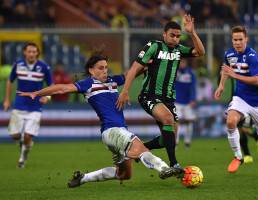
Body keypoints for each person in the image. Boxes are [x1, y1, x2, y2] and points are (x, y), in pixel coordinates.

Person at [18, 50, 179, 188]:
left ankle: (83, 178)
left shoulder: (113, 81)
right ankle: (165, 169)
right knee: (140, 149)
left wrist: (148, 64)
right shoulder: (88, 84)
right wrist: (37, 93)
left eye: (106, 68)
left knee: (124, 174)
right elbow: (62, 88)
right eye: (100, 68)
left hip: (115, 133)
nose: (104, 71)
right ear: (91, 70)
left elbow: (132, 73)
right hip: (113, 131)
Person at [116, 14, 205, 170]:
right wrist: (125, 91)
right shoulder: (153, 46)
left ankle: (140, 148)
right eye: (172, 35)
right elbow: (134, 69)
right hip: (149, 96)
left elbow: (200, 52)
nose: (176, 38)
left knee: (169, 137)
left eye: (178, 36)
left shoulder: (179, 50)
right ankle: (174, 164)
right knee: (168, 119)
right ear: (164, 34)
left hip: (168, 99)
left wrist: (192, 33)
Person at [214, 26, 258, 179]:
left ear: (246, 39)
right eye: (235, 39)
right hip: (241, 97)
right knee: (230, 121)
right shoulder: (229, 54)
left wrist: (234, 75)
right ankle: (238, 156)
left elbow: (257, 80)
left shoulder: (252, 56)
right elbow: (226, 69)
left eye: (240, 39)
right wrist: (221, 86)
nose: (237, 42)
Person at [3, 42, 52, 168]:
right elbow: (10, 81)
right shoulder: (18, 65)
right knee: (15, 136)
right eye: (29, 51)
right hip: (19, 105)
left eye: (34, 52)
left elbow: (52, 85)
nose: (31, 54)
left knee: (28, 136)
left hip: (35, 107)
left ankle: (22, 158)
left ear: (37, 53)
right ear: (25, 52)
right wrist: (7, 100)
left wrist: (47, 97)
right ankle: (24, 143)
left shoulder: (44, 67)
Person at [174, 58, 197, 148]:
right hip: (177, 101)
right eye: (181, 62)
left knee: (189, 121)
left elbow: (193, 87)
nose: (182, 64)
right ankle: (175, 141)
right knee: (176, 121)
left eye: (184, 62)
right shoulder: (175, 72)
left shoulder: (190, 73)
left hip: (188, 102)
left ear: (186, 63)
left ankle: (187, 141)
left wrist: (193, 99)